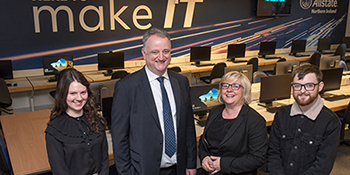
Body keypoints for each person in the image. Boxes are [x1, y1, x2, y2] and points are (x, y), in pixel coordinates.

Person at [111, 28, 197, 175]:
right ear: (144, 53)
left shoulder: (181, 82)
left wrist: (191, 163)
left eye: (166, 51)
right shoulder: (126, 87)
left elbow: (188, 126)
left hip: (179, 168)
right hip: (143, 170)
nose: (161, 57)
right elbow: (119, 137)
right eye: (155, 52)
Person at [268, 64, 341, 175]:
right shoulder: (282, 115)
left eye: (309, 85)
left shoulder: (330, 122)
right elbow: (273, 153)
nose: (302, 91)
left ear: (320, 86)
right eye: (297, 86)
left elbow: (322, 166)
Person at [198, 71, 268, 175]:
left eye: (235, 86)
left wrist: (222, 164)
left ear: (244, 91)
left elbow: (258, 158)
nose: (229, 90)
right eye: (225, 85)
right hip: (209, 171)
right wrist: (204, 157)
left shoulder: (255, 121)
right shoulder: (214, 112)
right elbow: (204, 141)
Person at [45, 68, 109, 175]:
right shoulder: (54, 130)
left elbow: (104, 160)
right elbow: (59, 171)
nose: (79, 98)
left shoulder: (97, 120)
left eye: (83, 92)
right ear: (62, 94)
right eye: (73, 93)